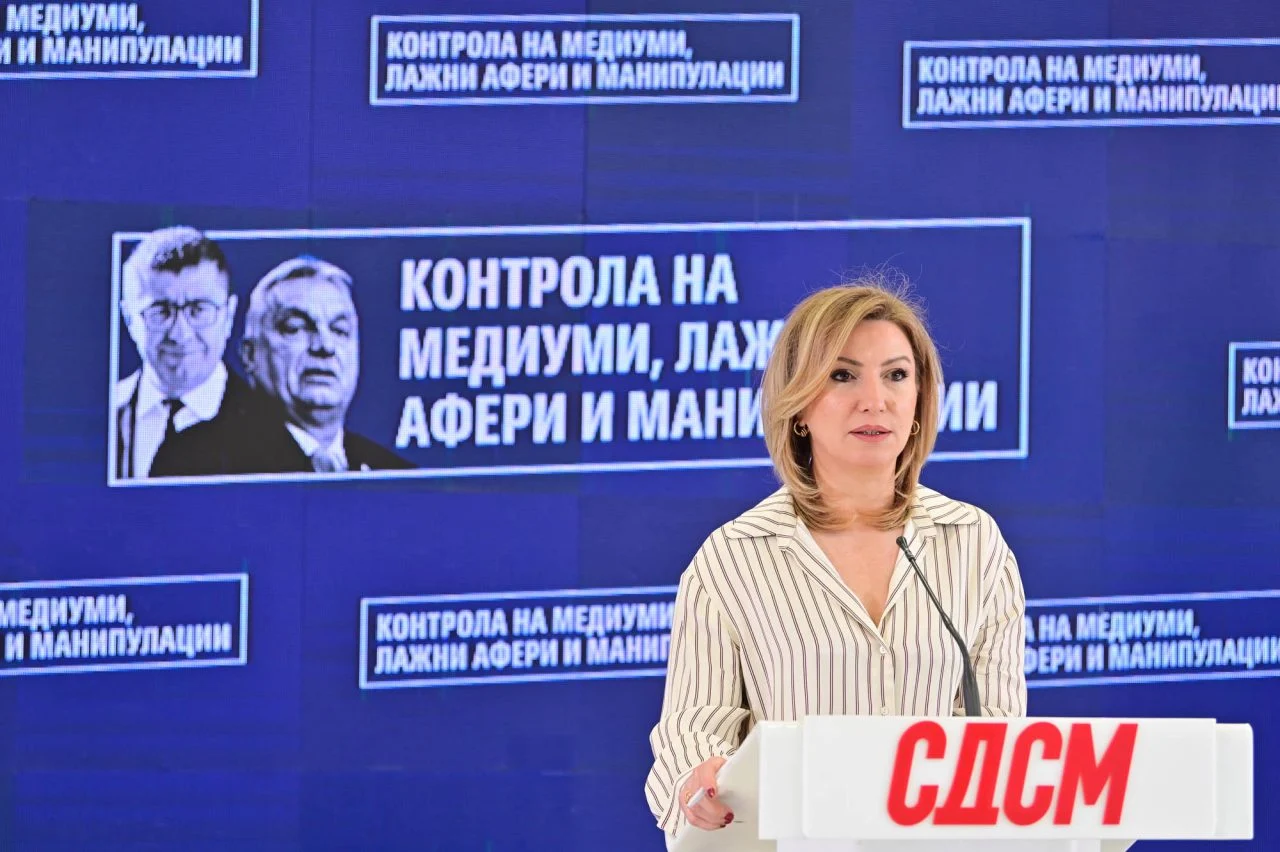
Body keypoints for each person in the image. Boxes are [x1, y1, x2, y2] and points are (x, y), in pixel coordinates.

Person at [644, 277, 1027, 840]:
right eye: (843, 375)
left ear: (919, 401)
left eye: (896, 375)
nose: (875, 399)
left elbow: (1000, 736)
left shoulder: (973, 542)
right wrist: (695, 782)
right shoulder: (732, 559)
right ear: (799, 405)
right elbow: (692, 732)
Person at [150, 255, 411, 476]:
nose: (325, 346)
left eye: (340, 330)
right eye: (295, 328)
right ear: (250, 355)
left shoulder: (392, 472)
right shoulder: (196, 461)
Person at [114, 226, 252, 479]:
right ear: (129, 319)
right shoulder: (104, 413)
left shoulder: (271, 428)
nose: (180, 334)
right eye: (160, 311)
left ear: (229, 316)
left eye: (198, 310)